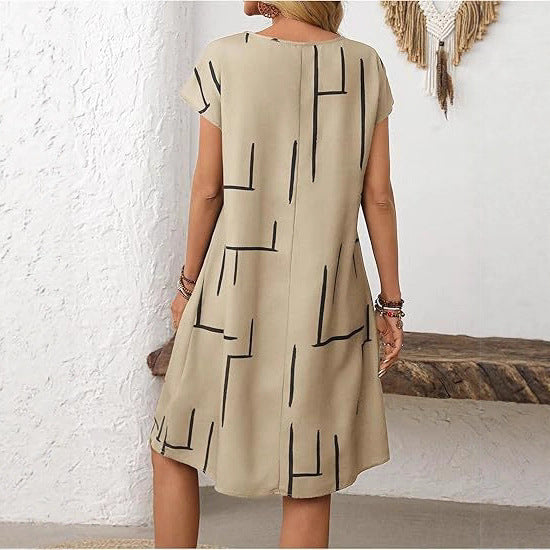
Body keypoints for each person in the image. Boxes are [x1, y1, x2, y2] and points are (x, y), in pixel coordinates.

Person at [150, 1, 404, 547]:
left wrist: (187, 287)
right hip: (327, 295)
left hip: (233, 289)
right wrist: (391, 304)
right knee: (309, 468)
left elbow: (208, 189)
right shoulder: (364, 64)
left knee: (175, 441)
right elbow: (378, 197)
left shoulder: (225, 58)